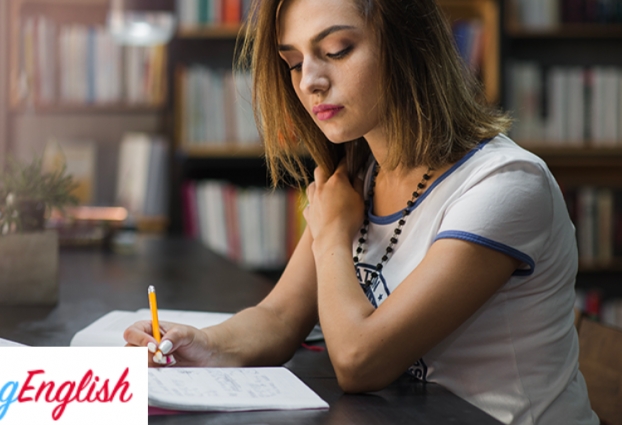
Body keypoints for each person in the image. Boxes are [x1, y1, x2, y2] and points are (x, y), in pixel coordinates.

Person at [124, 0, 598, 423]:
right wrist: (201, 344)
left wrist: (331, 235)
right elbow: (279, 316)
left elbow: (359, 362)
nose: (309, 80)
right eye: (293, 62)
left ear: (408, 45)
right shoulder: (360, 174)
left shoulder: (506, 184)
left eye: (336, 50)